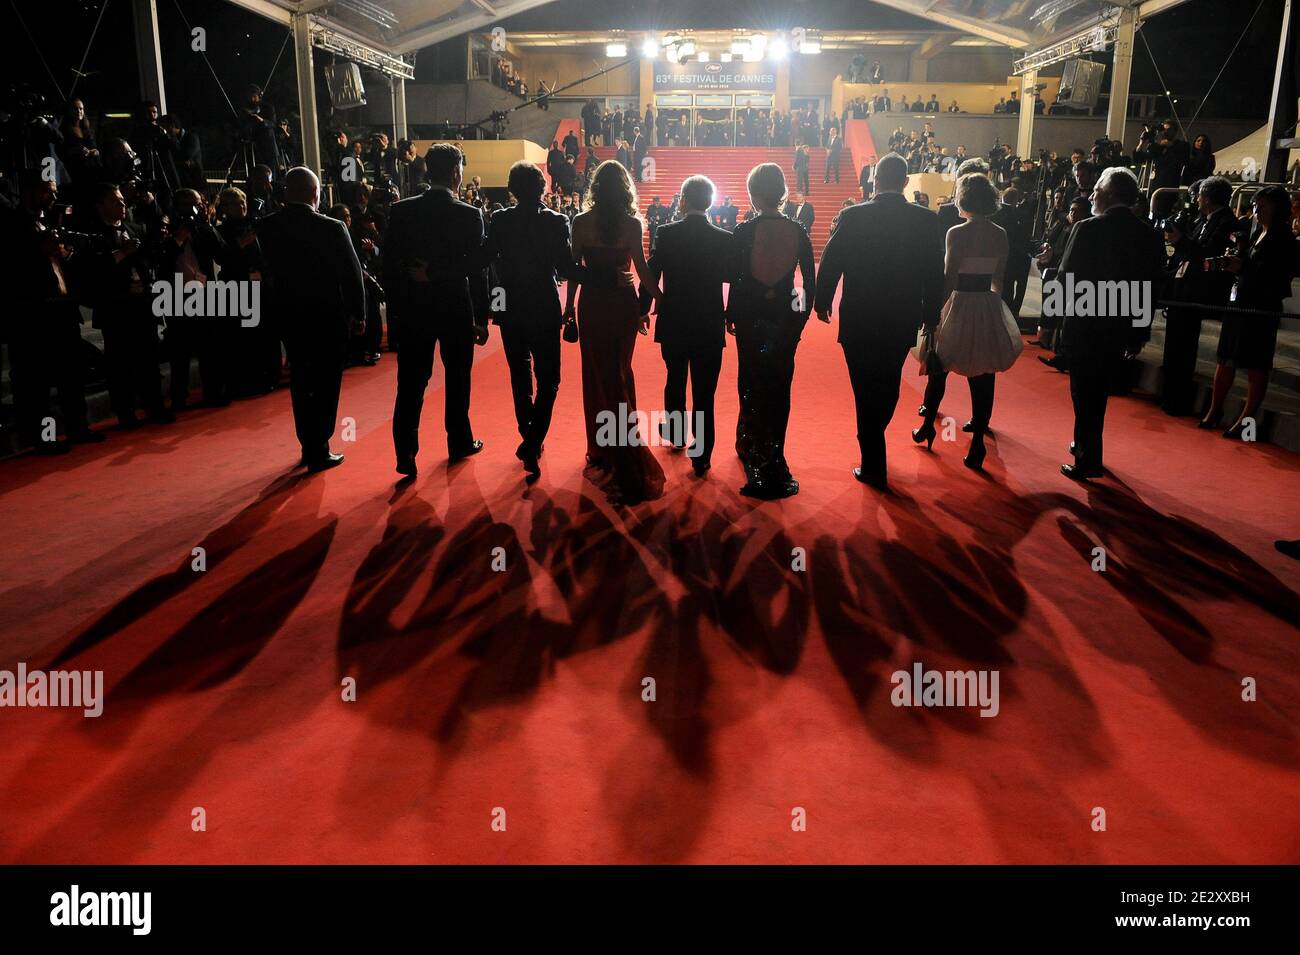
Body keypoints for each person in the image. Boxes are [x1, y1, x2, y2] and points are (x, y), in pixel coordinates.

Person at [815, 153, 944, 490]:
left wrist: (822, 301)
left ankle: (872, 454)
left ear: (874, 181)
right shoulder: (926, 221)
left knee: (863, 387)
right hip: (901, 317)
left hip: (859, 316)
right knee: (887, 382)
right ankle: (874, 443)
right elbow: (935, 273)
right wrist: (932, 314)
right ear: (904, 182)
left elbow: (831, 261)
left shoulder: (852, 216)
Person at [383, 144, 490, 476]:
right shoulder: (469, 214)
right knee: (458, 379)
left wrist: (399, 311)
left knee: (411, 383)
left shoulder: (401, 211)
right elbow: (477, 268)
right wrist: (482, 318)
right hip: (455, 309)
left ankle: (406, 453)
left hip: (414, 310)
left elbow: (388, 267)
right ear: (457, 173)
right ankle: (459, 442)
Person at [562, 160, 664, 504]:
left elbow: (574, 271)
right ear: (624, 188)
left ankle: (607, 450)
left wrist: (567, 310)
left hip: (592, 306)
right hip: (622, 305)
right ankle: (622, 446)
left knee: (596, 377)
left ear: (595, 188)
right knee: (619, 374)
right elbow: (643, 270)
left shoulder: (580, 222)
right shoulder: (633, 224)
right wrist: (658, 300)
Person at [1055, 166, 1166, 480]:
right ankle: (1087, 449)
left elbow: (1066, 278)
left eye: (1098, 189)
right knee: (1099, 392)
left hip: (1086, 324)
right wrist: (1139, 330)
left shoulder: (1087, 228)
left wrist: (1060, 327)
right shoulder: (1150, 235)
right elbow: (1151, 287)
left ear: (1112, 193)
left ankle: (1087, 458)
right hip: (1121, 325)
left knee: (1084, 394)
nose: (1092, 194)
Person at [255, 168, 364, 471]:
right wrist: (359, 313)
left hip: (289, 315)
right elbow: (352, 274)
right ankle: (320, 445)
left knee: (301, 380)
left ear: (285, 193)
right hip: (328, 316)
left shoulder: (265, 227)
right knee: (327, 382)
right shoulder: (332, 227)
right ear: (316, 194)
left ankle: (308, 443)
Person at [914, 173, 1024, 470]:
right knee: (984, 373)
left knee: (940, 366)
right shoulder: (1000, 233)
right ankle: (977, 444)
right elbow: (1000, 277)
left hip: (959, 300)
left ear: (963, 199)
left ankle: (927, 426)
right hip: (987, 300)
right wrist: (996, 308)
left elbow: (949, 277)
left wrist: (937, 312)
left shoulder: (956, 233)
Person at [728, 163, 816, 499]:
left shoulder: (744, 231)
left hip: (750, 315)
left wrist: (730, 315)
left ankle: (752, 450)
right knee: (779, 385)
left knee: (750, 381)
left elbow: (735, 279)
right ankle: (774, 453)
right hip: (784, 315)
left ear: (753, 194)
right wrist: (801, 317)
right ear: (780, 192)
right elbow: (809, 282)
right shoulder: (799, 231)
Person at [484, 161, 574, 479]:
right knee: (549, 380)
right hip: (545, 306)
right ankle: (533, 441)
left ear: (512, 188)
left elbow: (484, 260)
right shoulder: (556, 221)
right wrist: (602, 274)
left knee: (520, 376)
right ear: (542, 188)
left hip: (511, 307)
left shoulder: (499, 220)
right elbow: (566, 268)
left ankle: (529, 437)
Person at [2, 170, 99, 453]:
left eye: (54, 190)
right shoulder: (11, 224)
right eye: (47, 190)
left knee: (71, 374)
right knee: (36, 383)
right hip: (31, 315)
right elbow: (10, 268)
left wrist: (67, 253)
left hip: (63, 310)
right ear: (29, 191)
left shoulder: (51, 222)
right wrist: (38, 250)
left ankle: (78, 428)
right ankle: (43, 439)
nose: (53, 196)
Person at [643, 175, 733, 475]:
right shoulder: (723, 238)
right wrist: (731, 314)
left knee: (675, 378)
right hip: (708, 322)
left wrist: (642, 309)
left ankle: (677, 433)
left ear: (683, 200)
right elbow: (734, 278)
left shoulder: (666, 233)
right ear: (709, 202)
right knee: (705, 391)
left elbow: (652, 273)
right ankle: (702, 454)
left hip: (675, 321)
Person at [1199, 185, 1296, 439]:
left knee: (1256, 363)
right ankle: (1215, 409)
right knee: (1225, 357)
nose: (1256, 211)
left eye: (1262, 206)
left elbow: (1277, 275)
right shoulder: (1255, 233)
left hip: (1262, 307)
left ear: (1277, 208)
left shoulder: (1283, 237)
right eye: (1254, 206)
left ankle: (1247, 417)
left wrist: (1244, 268)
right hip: (1239, 300)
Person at [80, 182, 174, 429]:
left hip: (142, 304)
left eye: (122, 200)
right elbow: (92, 272)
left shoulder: (135, 228)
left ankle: (155, 407)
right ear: (100, 206)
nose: (122, 204)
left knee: (149, 360)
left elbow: (151, 259)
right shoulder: (91, 234)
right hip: (115, 309)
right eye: (115, 200)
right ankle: (126, 414)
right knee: (120, 365)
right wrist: (122, 254)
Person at [1160, 175, 1236, 415]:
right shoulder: (1203, 220)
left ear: (1208, 197)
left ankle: (1177, 399)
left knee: (1184, 347)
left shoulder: (1226, 222)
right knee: (1174, 344)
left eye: (1200, 195)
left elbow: (1208, 256)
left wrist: (1183, 239)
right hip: (1184, 289)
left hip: (1200, 292)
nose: (1197, 200)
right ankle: (1168, 394)